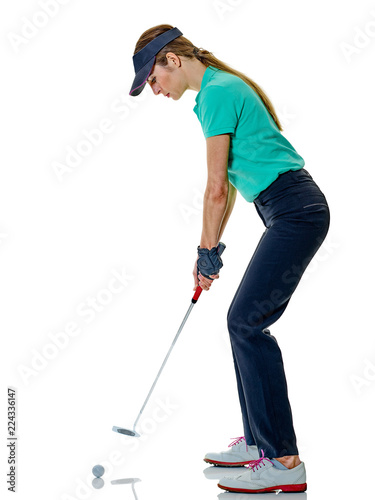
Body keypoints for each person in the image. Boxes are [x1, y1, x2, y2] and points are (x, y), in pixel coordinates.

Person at [129, 24, 330, 494]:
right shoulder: (219, 89)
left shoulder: (215, 94)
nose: (154, 90)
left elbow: (216, 188)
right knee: (244, 322)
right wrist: (212, 251)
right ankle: (262, 444)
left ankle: (283, 460)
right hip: (286, 208)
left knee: (245, 322)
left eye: (152, 79)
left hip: (297, 211)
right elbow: (235, 190)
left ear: (171, 61)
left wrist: (202, 252)